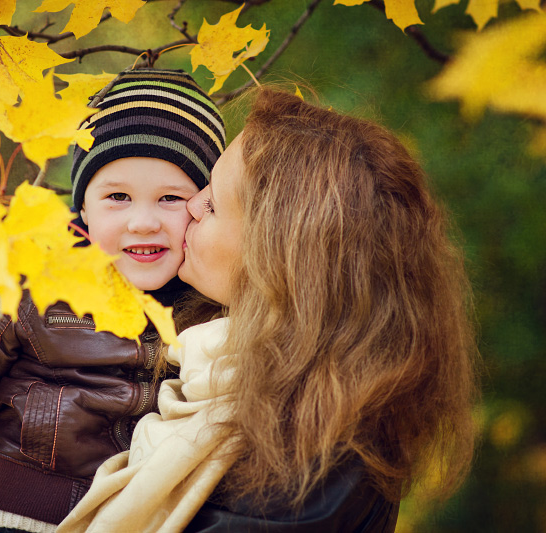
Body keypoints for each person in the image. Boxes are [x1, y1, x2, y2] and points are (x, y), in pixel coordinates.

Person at [58, 87, 479, 532]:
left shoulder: (313, 463)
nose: (191, 205)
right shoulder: (219, 372)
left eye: (213, 204)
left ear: (276, 255)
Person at [0, 68, 226, 533]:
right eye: (118, 196)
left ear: (204, 206)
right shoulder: (30, 277)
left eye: (170, 198)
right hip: (18, 523)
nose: (143, 222)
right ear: (82, 207)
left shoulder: (217, 299)